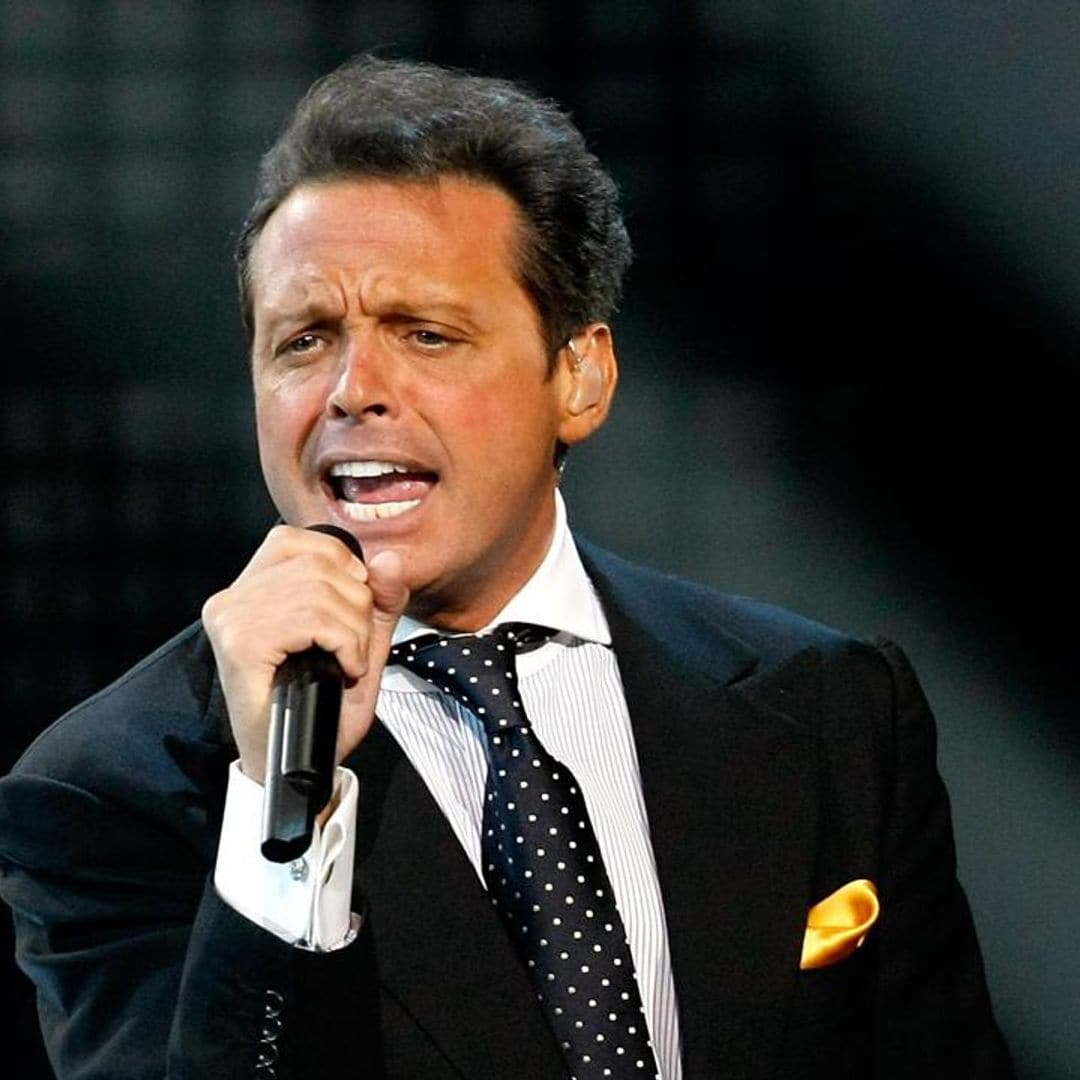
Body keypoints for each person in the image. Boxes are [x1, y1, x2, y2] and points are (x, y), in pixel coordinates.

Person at [0, 56, 1013, 1079]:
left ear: (580, 378)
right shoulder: (114, 790)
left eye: (427, 334)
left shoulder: (832, 707)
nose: (353, 389)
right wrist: (281, 806)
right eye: (304, 340)